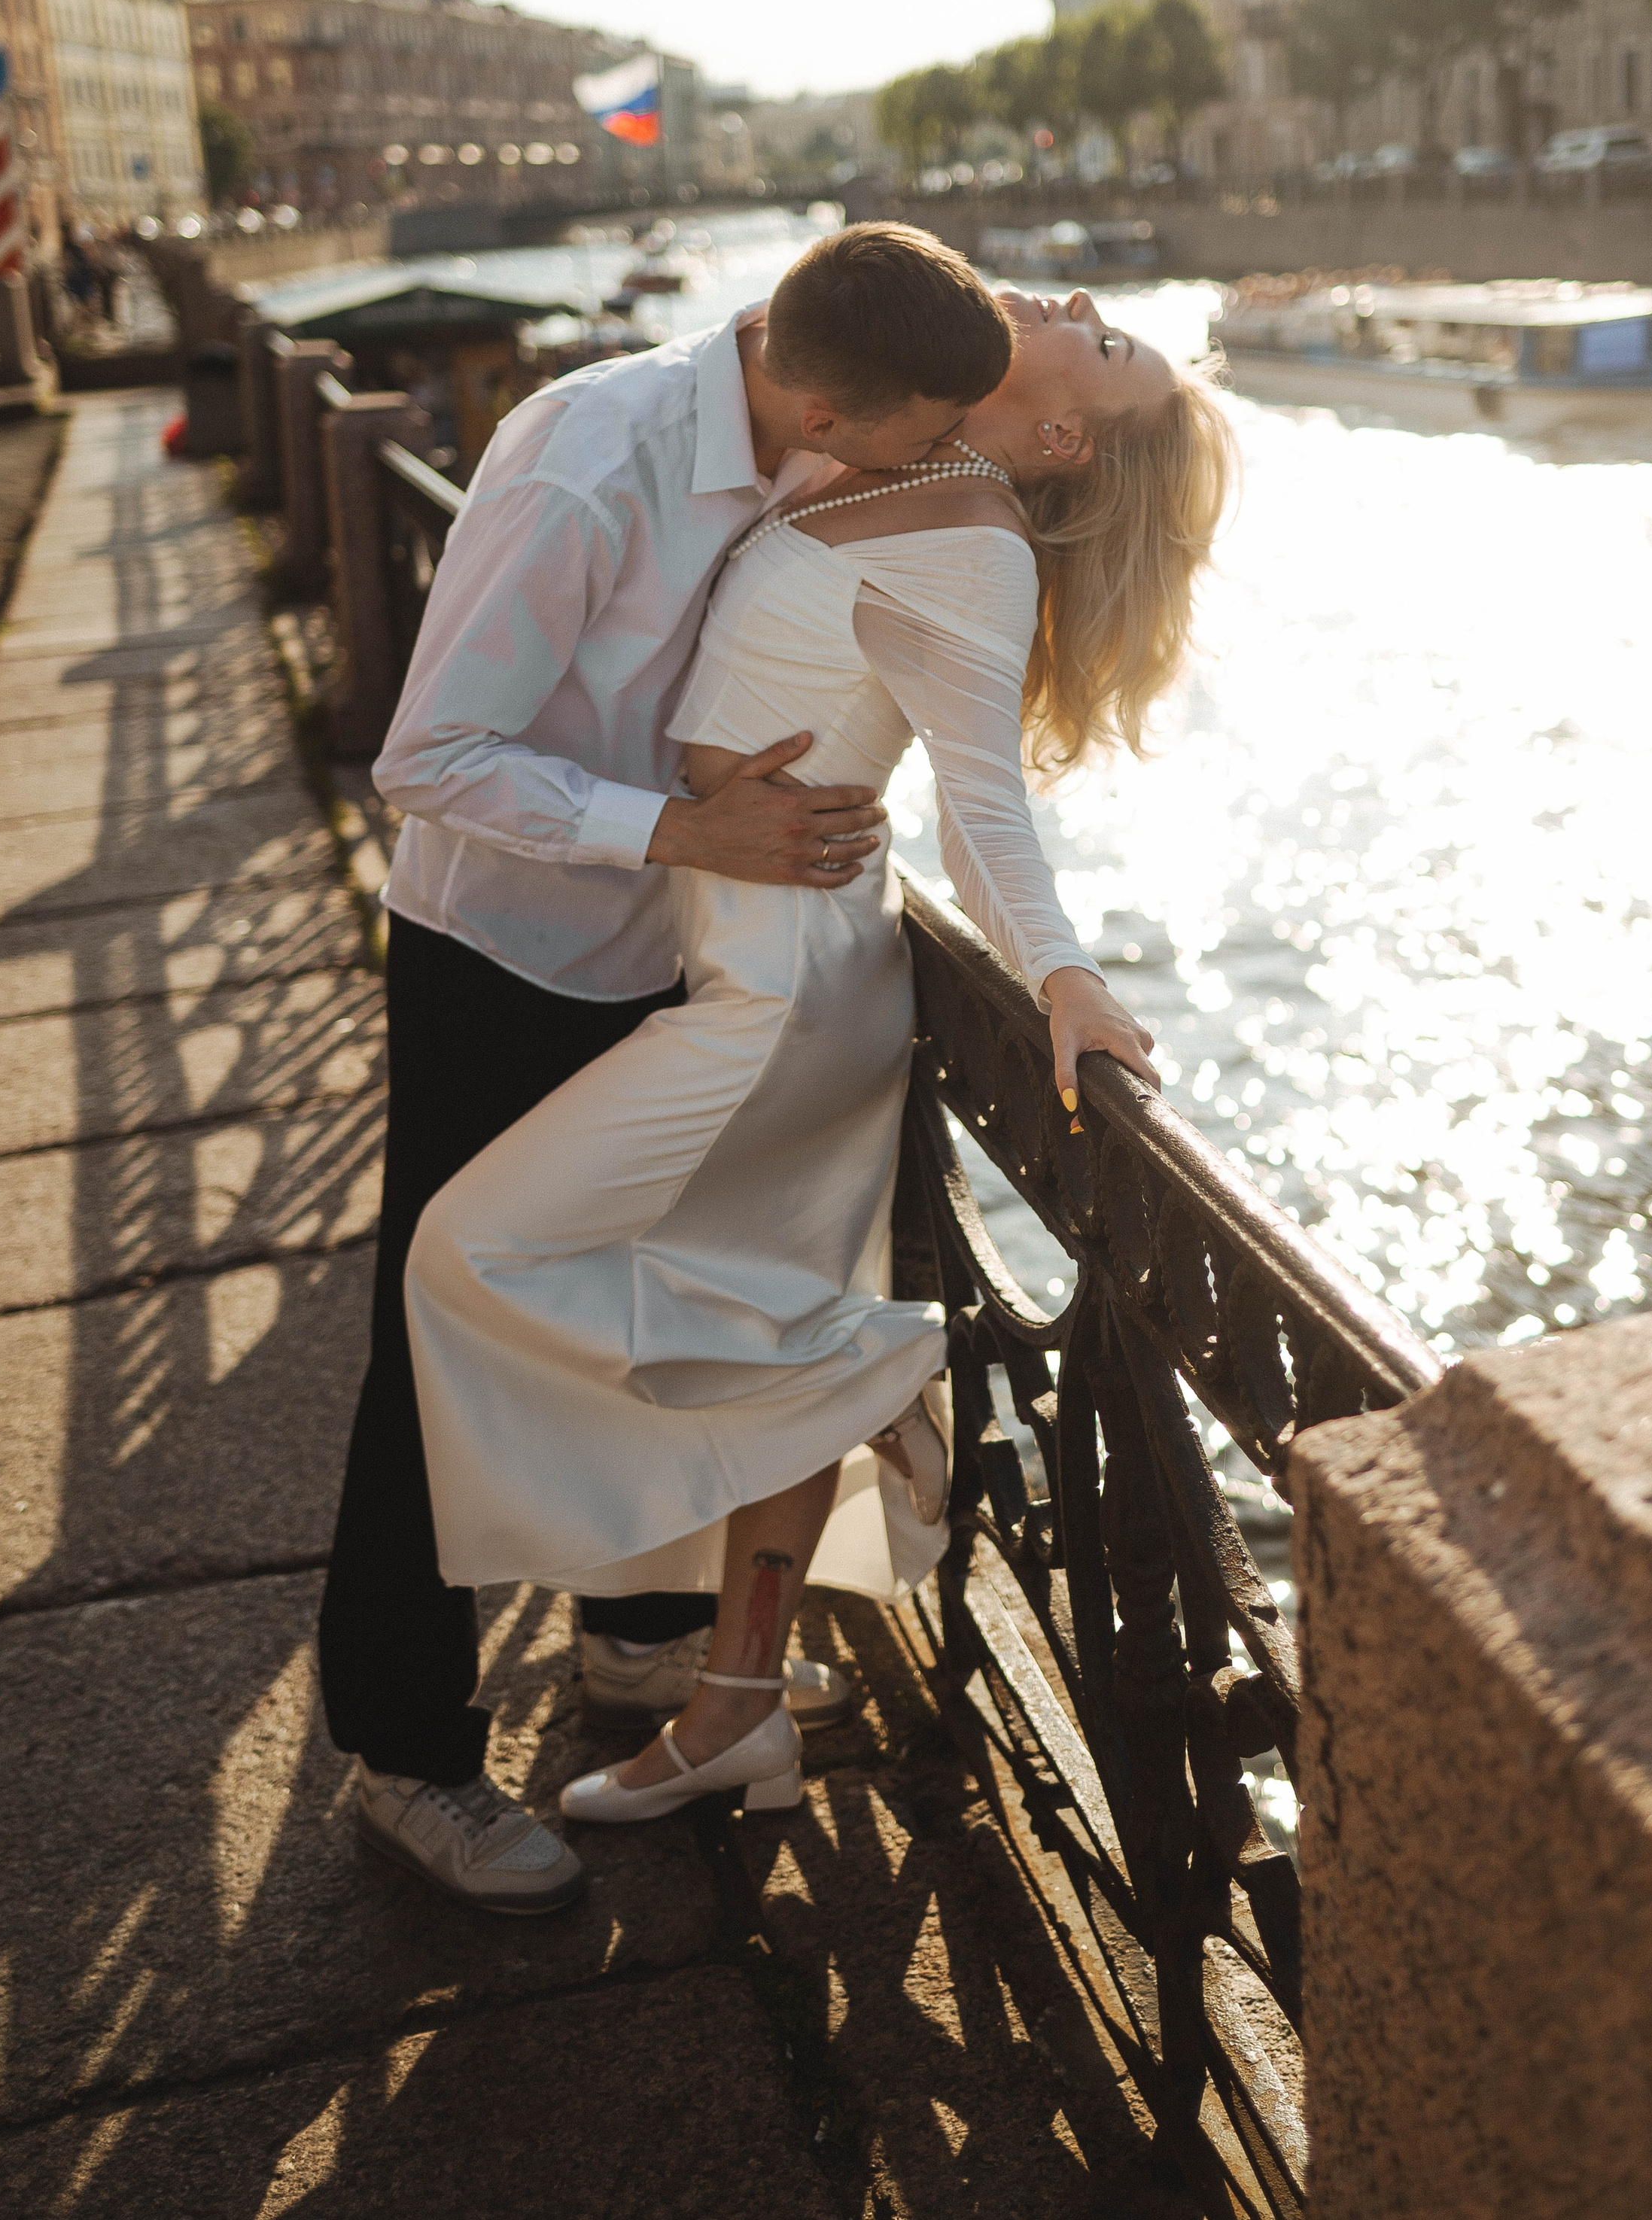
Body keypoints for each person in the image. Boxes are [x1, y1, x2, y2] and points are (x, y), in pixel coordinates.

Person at [400, 284, 1234, 1844]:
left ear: (1060, 434)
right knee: (742, 1295)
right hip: (728, 956)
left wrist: (1058, 969)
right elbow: (801, 333)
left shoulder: (970, 534)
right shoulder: (887, 454)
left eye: (1105, 342)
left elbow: (984, 799)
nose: (1078, 301)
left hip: (773, 990)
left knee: (472, 1254)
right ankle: (733, 1714)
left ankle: (875, 1362)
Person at [320, 223, 1015, 1914]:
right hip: (508, 951)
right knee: (449, 1314)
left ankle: (638, 1634)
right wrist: (680, 825)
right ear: (801, 379)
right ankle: (403, 1752)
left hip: (677, 957)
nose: (913, 465)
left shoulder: (817, 432)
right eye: (893, 436)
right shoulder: (589, 459)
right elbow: (428, 754)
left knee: (657, 1286)